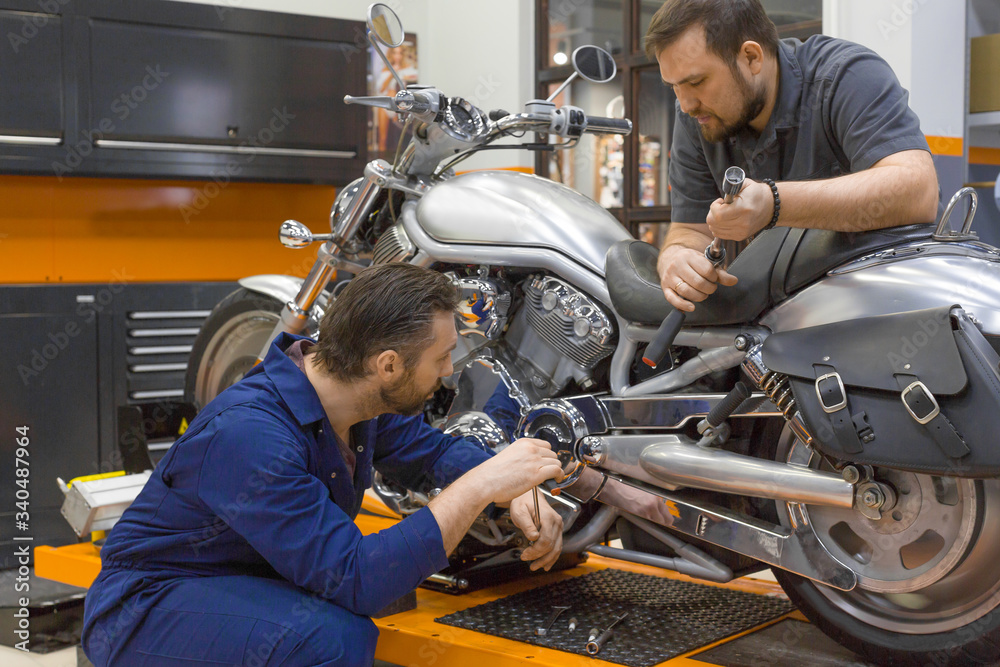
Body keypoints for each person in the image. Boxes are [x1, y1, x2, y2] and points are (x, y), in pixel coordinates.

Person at [81, 263, 565, 666]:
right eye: (441, 357)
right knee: (330, 639)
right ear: (388, 365)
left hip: (248, 579)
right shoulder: (250, 435)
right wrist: (482, 484)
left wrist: (515, 486)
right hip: (149, 606)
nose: (446, 373)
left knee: (341, 629)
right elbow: (358, 581)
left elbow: (434, 454)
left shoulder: (354, 404)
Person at [647, 0, 940, 311]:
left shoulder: (846, 76)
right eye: (674, 87)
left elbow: (917, 191)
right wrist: (676, 258)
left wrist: (773, 203)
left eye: (696, 82)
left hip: (887, 301)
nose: (687, 103)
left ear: (751, 57)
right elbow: (690, 229)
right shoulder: (698, 116)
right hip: (786, 317)